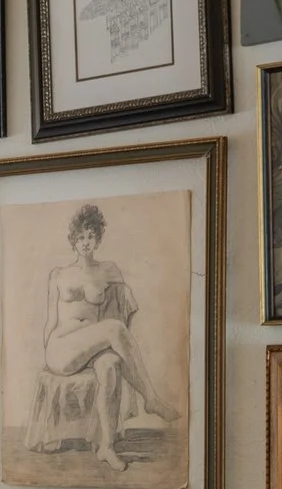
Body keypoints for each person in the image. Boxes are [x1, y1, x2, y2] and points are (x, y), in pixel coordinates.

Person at [37, 203, 177, 473]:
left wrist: (118, 350)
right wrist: (45, 356)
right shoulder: (59, 274)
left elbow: (124, 311)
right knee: (113, 329)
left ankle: (107, 446)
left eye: (90, 236)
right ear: (73, 240)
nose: (85, 242)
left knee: (111, 364)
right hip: (62, 348)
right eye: (80, 237)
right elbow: (50, 321)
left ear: (98, 238)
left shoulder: (109, 270)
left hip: (91, 348)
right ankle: (151, 398)